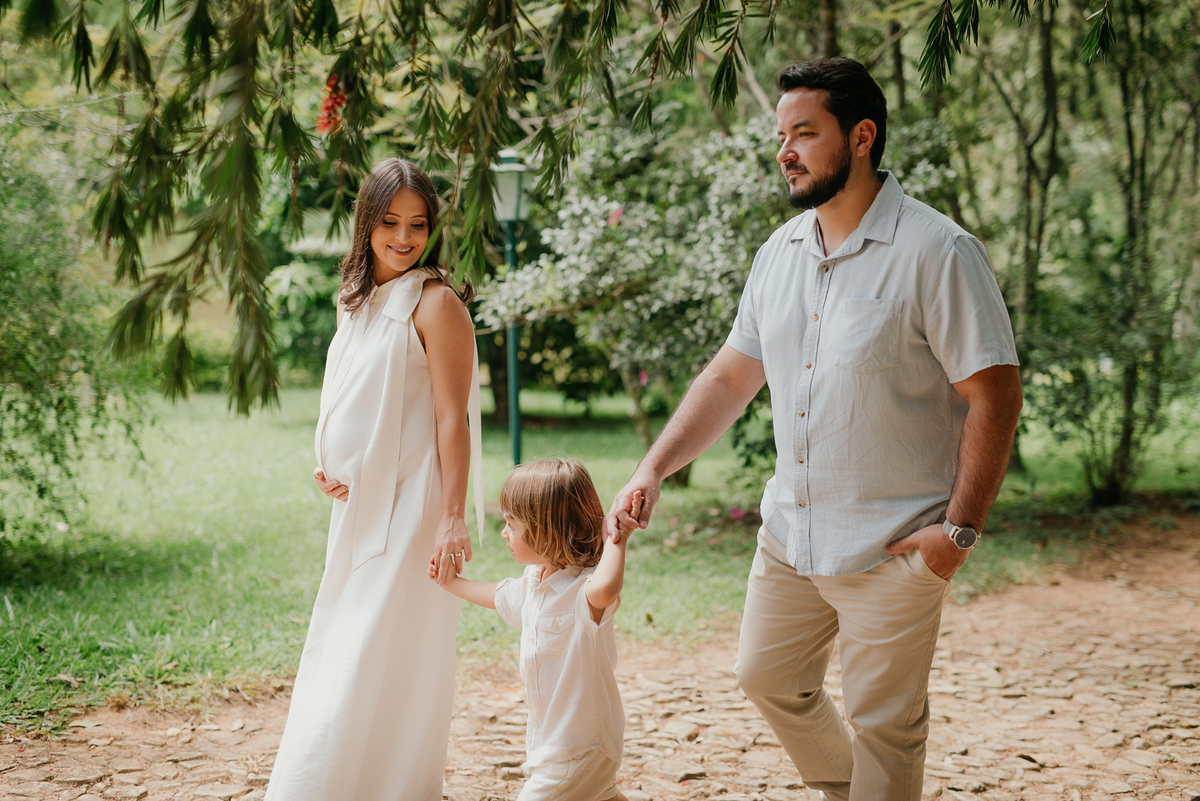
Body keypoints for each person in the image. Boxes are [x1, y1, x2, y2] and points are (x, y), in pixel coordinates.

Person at [605, 58, 1023, 800]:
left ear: (861, 137)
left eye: (804, 132)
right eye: (780, 134)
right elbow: (731, 376)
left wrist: (957, 532)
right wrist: (653, 466)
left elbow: (995, 395)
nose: (784, 150)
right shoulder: (781, 252)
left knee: (885, 725)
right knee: (765, 675)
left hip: (895, 543)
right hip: (791, 535)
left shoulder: (939, 252)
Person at [265, 158, 485, 801]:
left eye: (417, 225)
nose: (403, 238)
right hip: (359, 504)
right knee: (342, 637)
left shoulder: (436, 303)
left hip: (414, 506)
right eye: (389, 222)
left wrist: (451, 517)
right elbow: (352, 393)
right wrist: (332, 462)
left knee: (385, 649)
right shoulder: (354, 299)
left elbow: (452, 418)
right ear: (365, 224)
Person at [433, 459, 638, 801]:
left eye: (511, 524)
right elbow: (499, 596)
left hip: (579, 749)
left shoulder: (582, 590)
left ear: (545, 529)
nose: (504, 533)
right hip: (557, 747)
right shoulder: (534, 582)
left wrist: (618, 539)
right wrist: (453, 583)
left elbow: (605, 590)